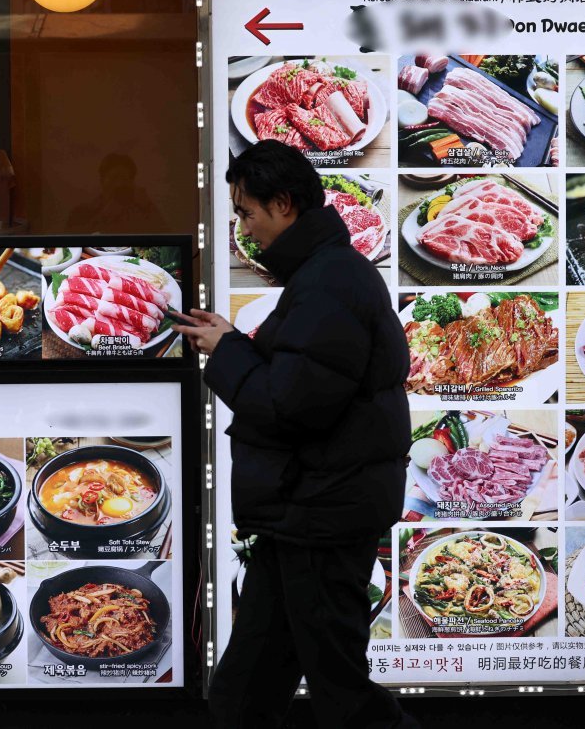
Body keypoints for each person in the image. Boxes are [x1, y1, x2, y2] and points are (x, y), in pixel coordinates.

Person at [173, 140, 417, 728]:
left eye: (247, 212)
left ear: (283, 205)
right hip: (305, 512)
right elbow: (305, 380)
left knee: (341, 693)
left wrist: (227, 351)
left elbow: (292, 405)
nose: (243, 228)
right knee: (245, 687)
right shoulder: (325, 275)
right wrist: (231, 339)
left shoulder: (330, 282)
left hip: (323, 514)